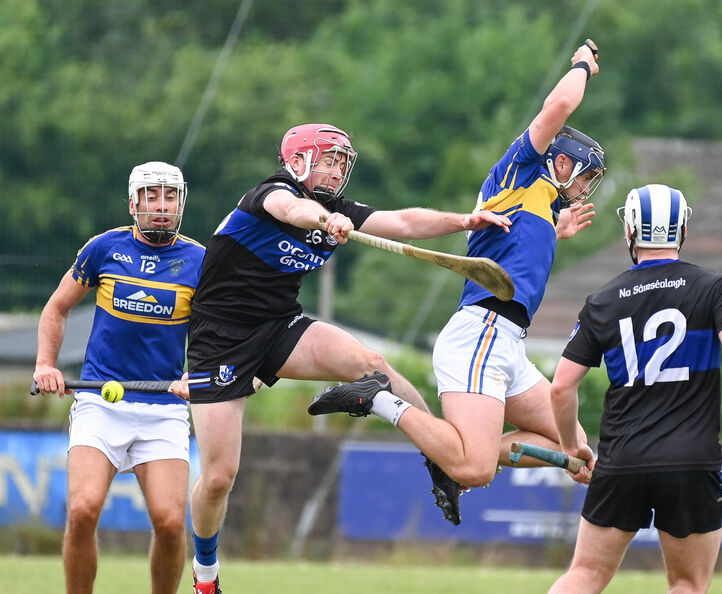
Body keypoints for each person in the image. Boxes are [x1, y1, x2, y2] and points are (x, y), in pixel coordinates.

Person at [183, 123, 512, 593]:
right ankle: (206, 575)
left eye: (342, 163)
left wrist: (463, 221)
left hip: (280, 327)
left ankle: (441, 456)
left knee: (372, 363)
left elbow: (401, 223)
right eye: (329, 160)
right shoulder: (271, 193)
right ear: (298, 161)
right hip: (222, 340)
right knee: (219, 477)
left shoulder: (339, 208)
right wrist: (320, 219)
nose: (338, 170)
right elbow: (290, 209)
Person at [308, 40, 604, 524]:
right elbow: (561, 104)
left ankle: (461, 460)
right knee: (476, 467)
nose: (585, 188)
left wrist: (556, 230)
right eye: (585, 175)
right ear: (562, 160)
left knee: (572, 443)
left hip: (509, 343)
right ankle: (375, 398)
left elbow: (517, 253)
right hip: (481, 333)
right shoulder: (519, 168)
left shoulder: (541, 208)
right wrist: (582, 66)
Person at [547, 184, 722, 594]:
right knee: (687, 582)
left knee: (586, 574)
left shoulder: (603, 300)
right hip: (691, 460)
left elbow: (560, 387)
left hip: (621, 458)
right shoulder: (715, 288)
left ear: (630, 231)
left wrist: (569, 447)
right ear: (682, 230)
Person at [32, 162, 205, 594]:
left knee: (169, 523)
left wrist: (195, 372)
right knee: (83, 510)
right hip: (100, 403)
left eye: (170, 197)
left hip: (164, 406)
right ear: (134, 203)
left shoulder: (200, 260)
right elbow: (56, 308)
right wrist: (45, 364)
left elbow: (218, 331)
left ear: (181, 202)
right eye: (152, 197)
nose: (161, 207)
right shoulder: (104, 249)